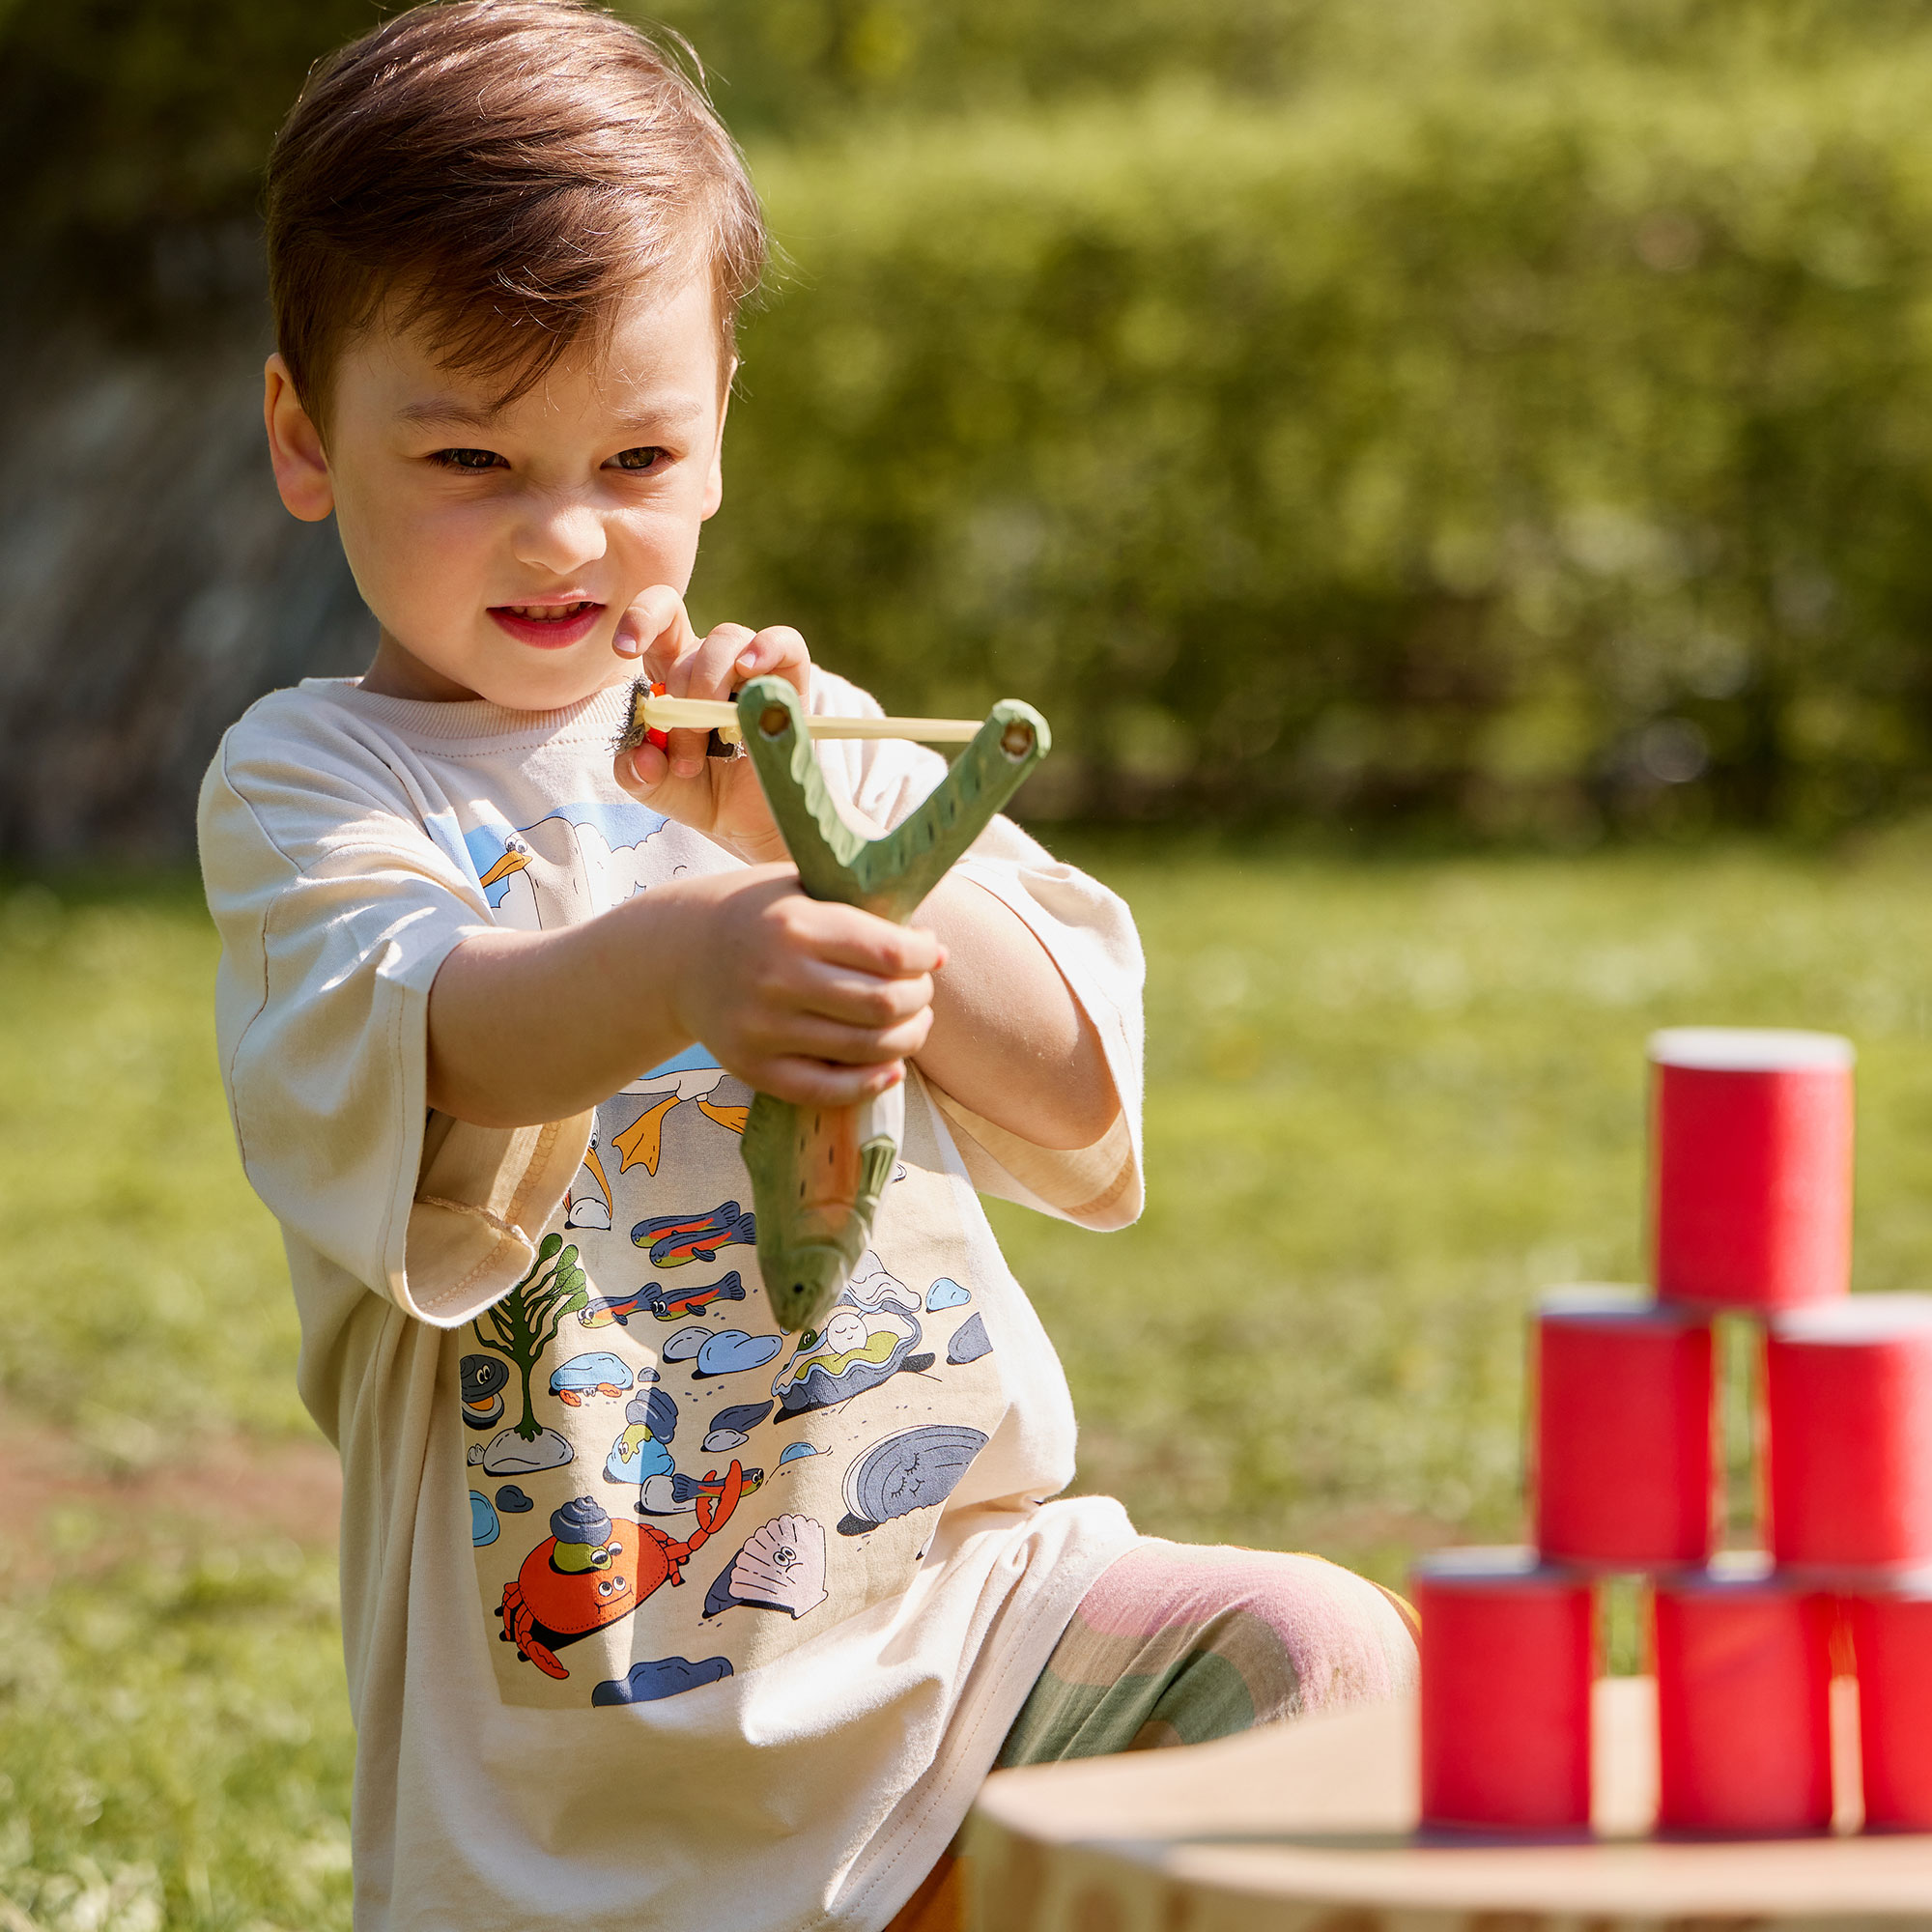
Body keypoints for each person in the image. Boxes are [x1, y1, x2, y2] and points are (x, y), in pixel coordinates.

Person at [196, 5, 1417, 1927]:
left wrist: (821, 852)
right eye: (469, 455)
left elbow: (1080, 1086)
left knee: (1311, 1658)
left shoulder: (783, 739)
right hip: (588, 1762)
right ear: (301, 436)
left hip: (954, 1632)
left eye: (635, 448)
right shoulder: (312, 785)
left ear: (720, 425)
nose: (568, 527)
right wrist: (695, 951)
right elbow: (441, 1033)